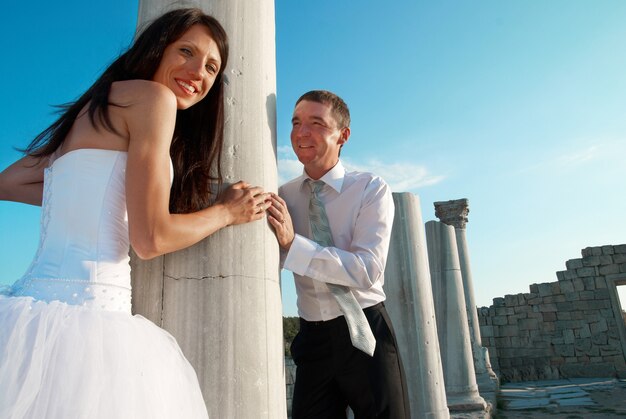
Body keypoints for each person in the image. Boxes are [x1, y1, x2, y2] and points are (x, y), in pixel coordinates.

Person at [0, 8, 269, 419]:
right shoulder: (153, 99)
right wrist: (226, 212)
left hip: (27, 313)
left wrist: (99, 197)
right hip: (91, 322)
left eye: (212, 67)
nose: (198, 72)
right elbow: (151, 239)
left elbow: (9, 182)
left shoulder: (94, 108)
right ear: (157, 49)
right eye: (186, 51)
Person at [268, 90, 410, 419]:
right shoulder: (283, 196)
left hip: (365, 330)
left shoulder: (371, 189)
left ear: (342, 135)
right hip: (312, 339)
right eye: (296, 122)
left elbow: (366, 269)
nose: (301, 133)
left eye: (316, 123)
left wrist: (294, 245)